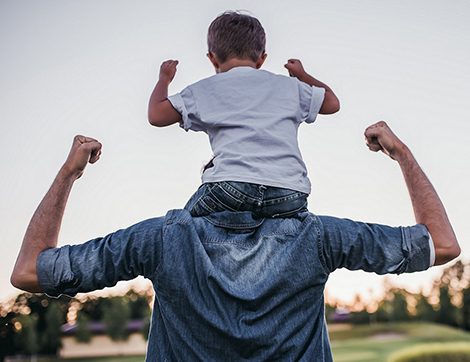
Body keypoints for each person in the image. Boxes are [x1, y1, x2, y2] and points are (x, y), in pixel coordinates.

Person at [11, 121, 459, 361]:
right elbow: (442, 244)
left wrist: (69, 173)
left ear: (209, 180)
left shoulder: (162, 239)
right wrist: (401, 154)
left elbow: (29, 271)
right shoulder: (317, 236)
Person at [148, 11, 340, 219]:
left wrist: (164, 79)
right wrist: (302, 75)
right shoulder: (289, 86)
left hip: (231, 188)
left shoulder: (205, 89)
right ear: (262, 59)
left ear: (212, 59)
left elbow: (156, 115)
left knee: (181, 226)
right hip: (290, 193)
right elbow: (332, 103)